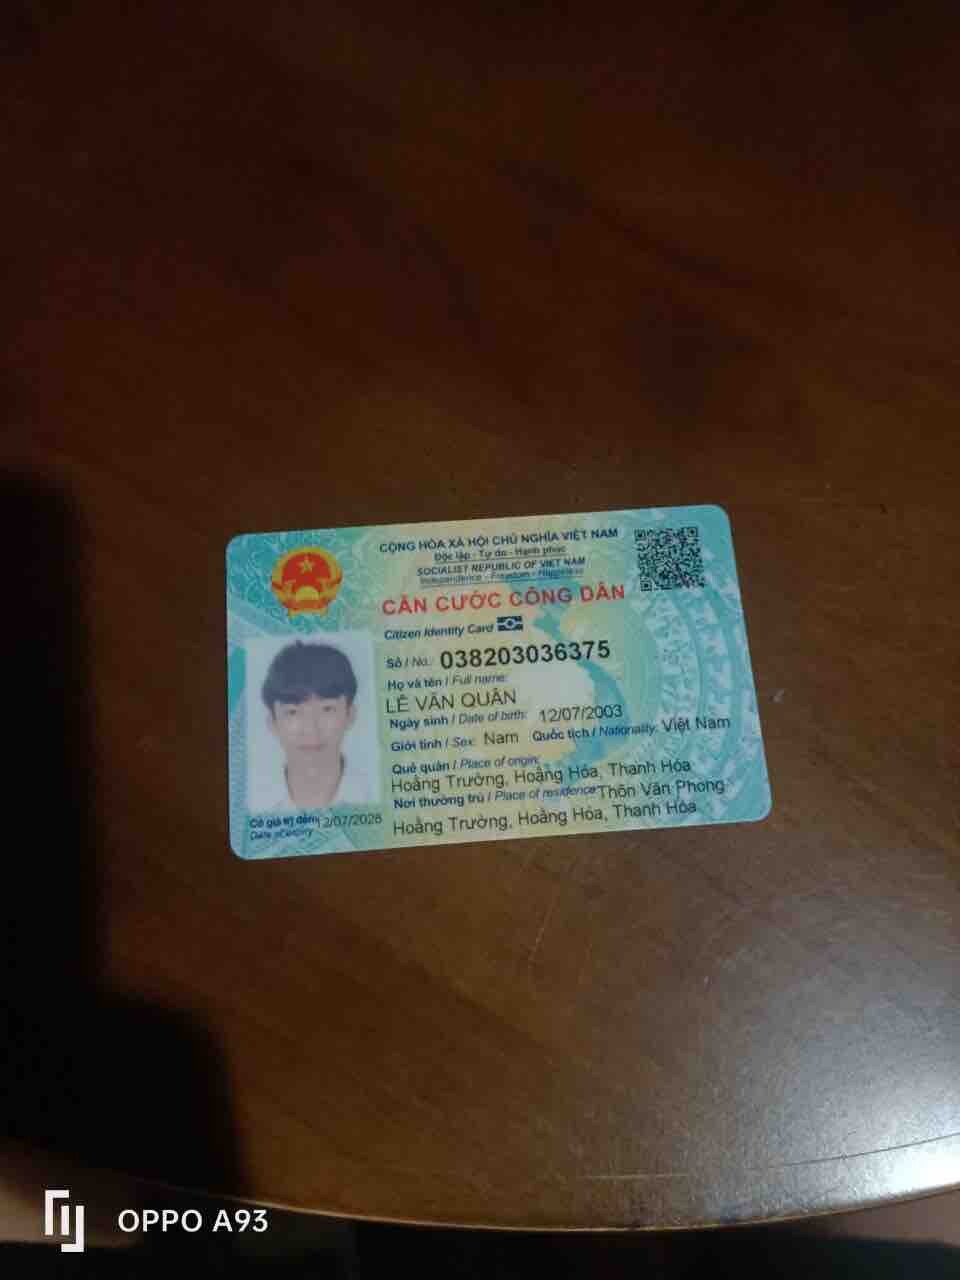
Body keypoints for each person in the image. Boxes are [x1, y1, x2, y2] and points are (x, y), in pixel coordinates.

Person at [258, 640, 373, 809]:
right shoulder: (254, 804)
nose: (311, 730)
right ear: (272, 723)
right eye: (293, 712)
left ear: (350, 715)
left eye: (327, 709)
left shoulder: (374, 794)